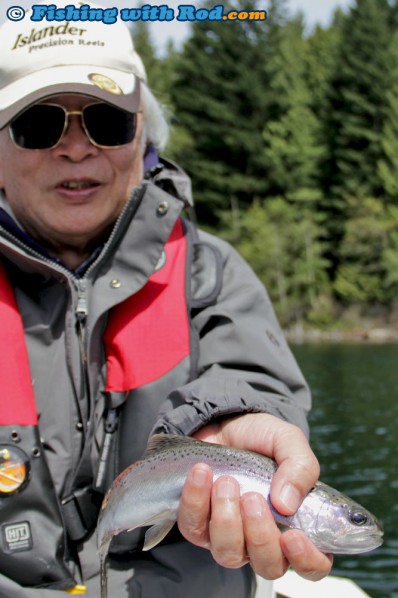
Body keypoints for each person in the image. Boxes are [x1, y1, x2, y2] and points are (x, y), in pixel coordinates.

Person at [0, 3, 332, 596]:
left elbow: (251, 375)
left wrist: (233, 423)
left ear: (143, 131)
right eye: (38, 124)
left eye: (106, 119)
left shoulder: (212, 273)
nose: (76, 149)